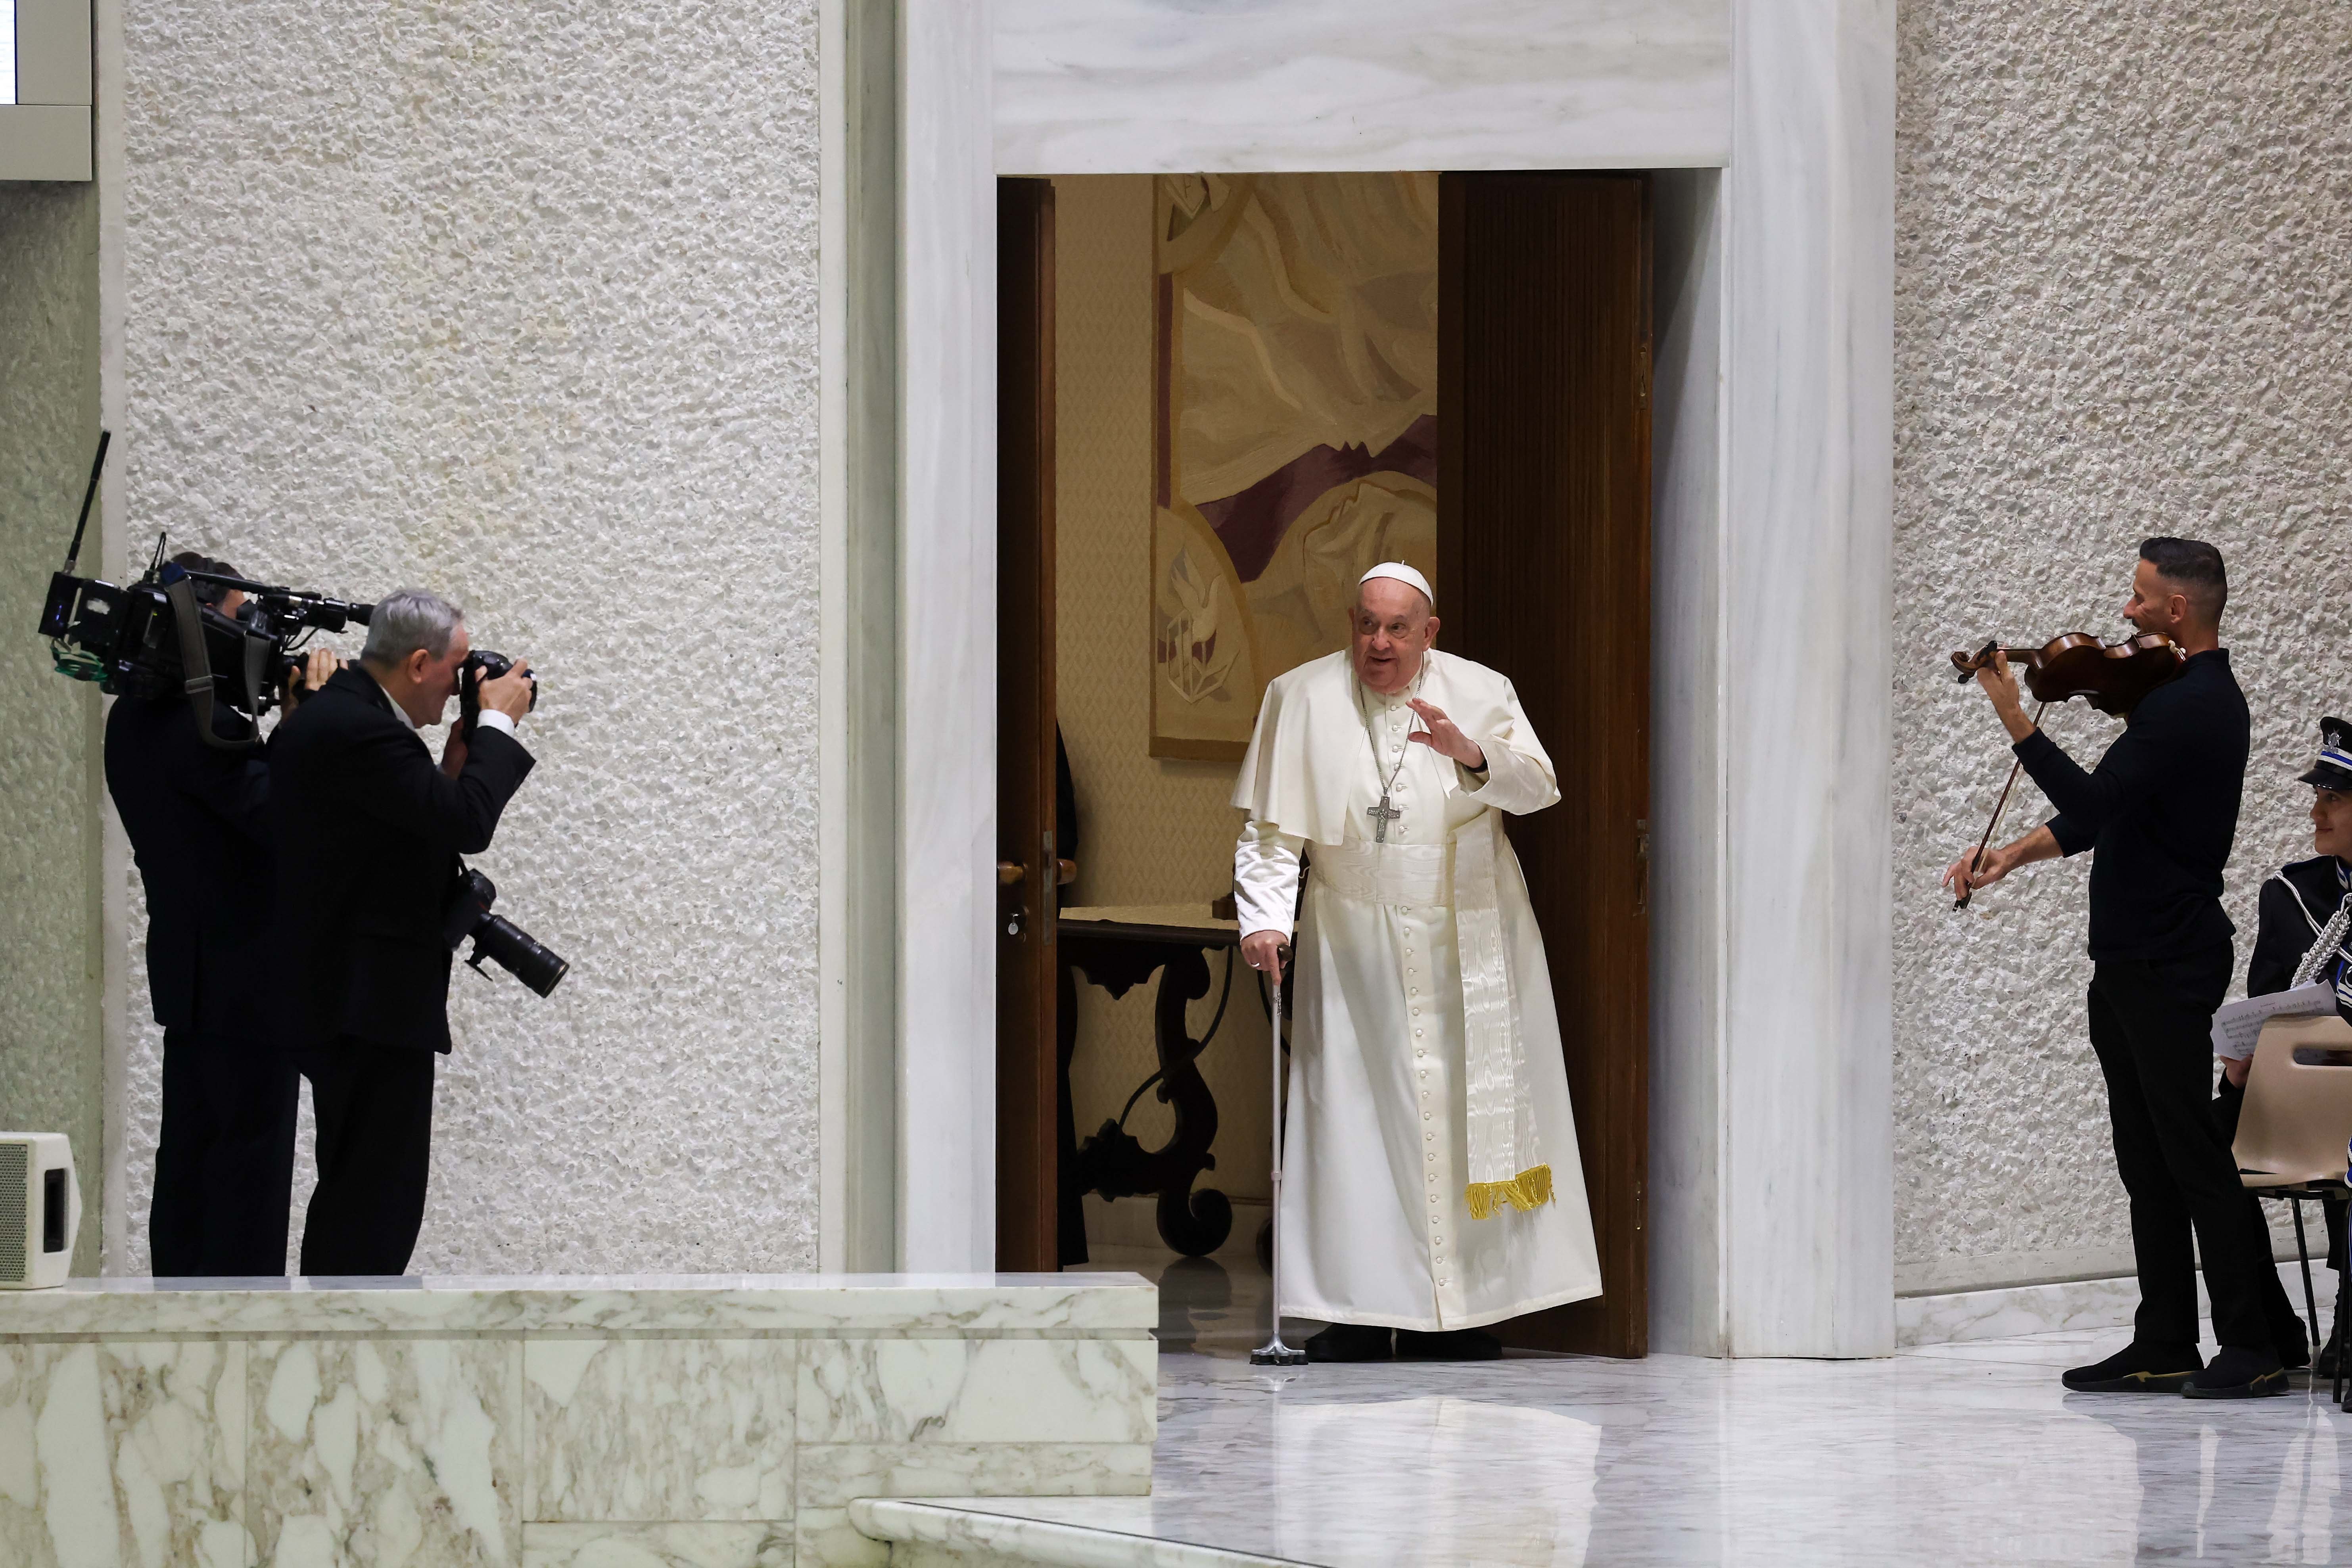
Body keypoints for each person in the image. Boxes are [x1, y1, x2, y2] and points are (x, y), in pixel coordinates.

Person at [1944, 537, 2287, 1398]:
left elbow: (2091, 799)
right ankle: (2164, 1338)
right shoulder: (2171, 699)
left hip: (2171, 959)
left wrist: (2012, 711)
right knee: (2145, 1158)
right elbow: (2111, 820)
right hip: (2132, 959)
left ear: (2177, 610)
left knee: (2192, 1155)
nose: (2124, 615)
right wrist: (2012, 857)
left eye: (2138, 600)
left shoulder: (2195, 707)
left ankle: (2252, 1344)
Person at [1232, 562, 1600, 1362]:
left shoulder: (1480, 689)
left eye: (1398, 628)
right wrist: (1264, 920)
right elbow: (1269, 830)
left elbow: (1539, 790)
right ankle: (1357, 1313)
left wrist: (1469, 753)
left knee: (1467, 1121)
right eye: (1366, 624)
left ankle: (1464, 1316)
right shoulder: (1299, 698)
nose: (1378, 641)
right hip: (1350, 942)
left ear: (1428, 634)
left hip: (1467, 935)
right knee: (1353, 1123)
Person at [270, 587, 537, 1275]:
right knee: (374, 1203)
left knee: (368, 1193)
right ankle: (346, 1351)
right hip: (368, 1006)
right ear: (419, 663)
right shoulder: (358, 730)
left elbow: (411, 829)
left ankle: (348, 1342)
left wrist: (456, 759)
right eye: (455, 671)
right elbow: (468, 825)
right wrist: (499, 726)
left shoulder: (354, 722)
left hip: (356, 1000)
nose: (460, 690)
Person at [106, 551, 335, 1276]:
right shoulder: (201, 728)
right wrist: (303, 727)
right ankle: (236, 1334)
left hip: (192, 976)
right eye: (239, 621)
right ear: (197, 627)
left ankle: (179, 1321)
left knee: (193, 1158)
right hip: (248, 982)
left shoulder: (134, 719)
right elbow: (282, 821)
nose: (252, 639)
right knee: (246, 1174)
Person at [2214, 715, 2352, 1376]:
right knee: (2207, 1130)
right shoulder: (2295, 893)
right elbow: (2267, 1001)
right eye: (2316, 794)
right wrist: (2245, 1065)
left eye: (2333, 798)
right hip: (2308, 1092)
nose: (2314, 810)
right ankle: (2267, 1328)